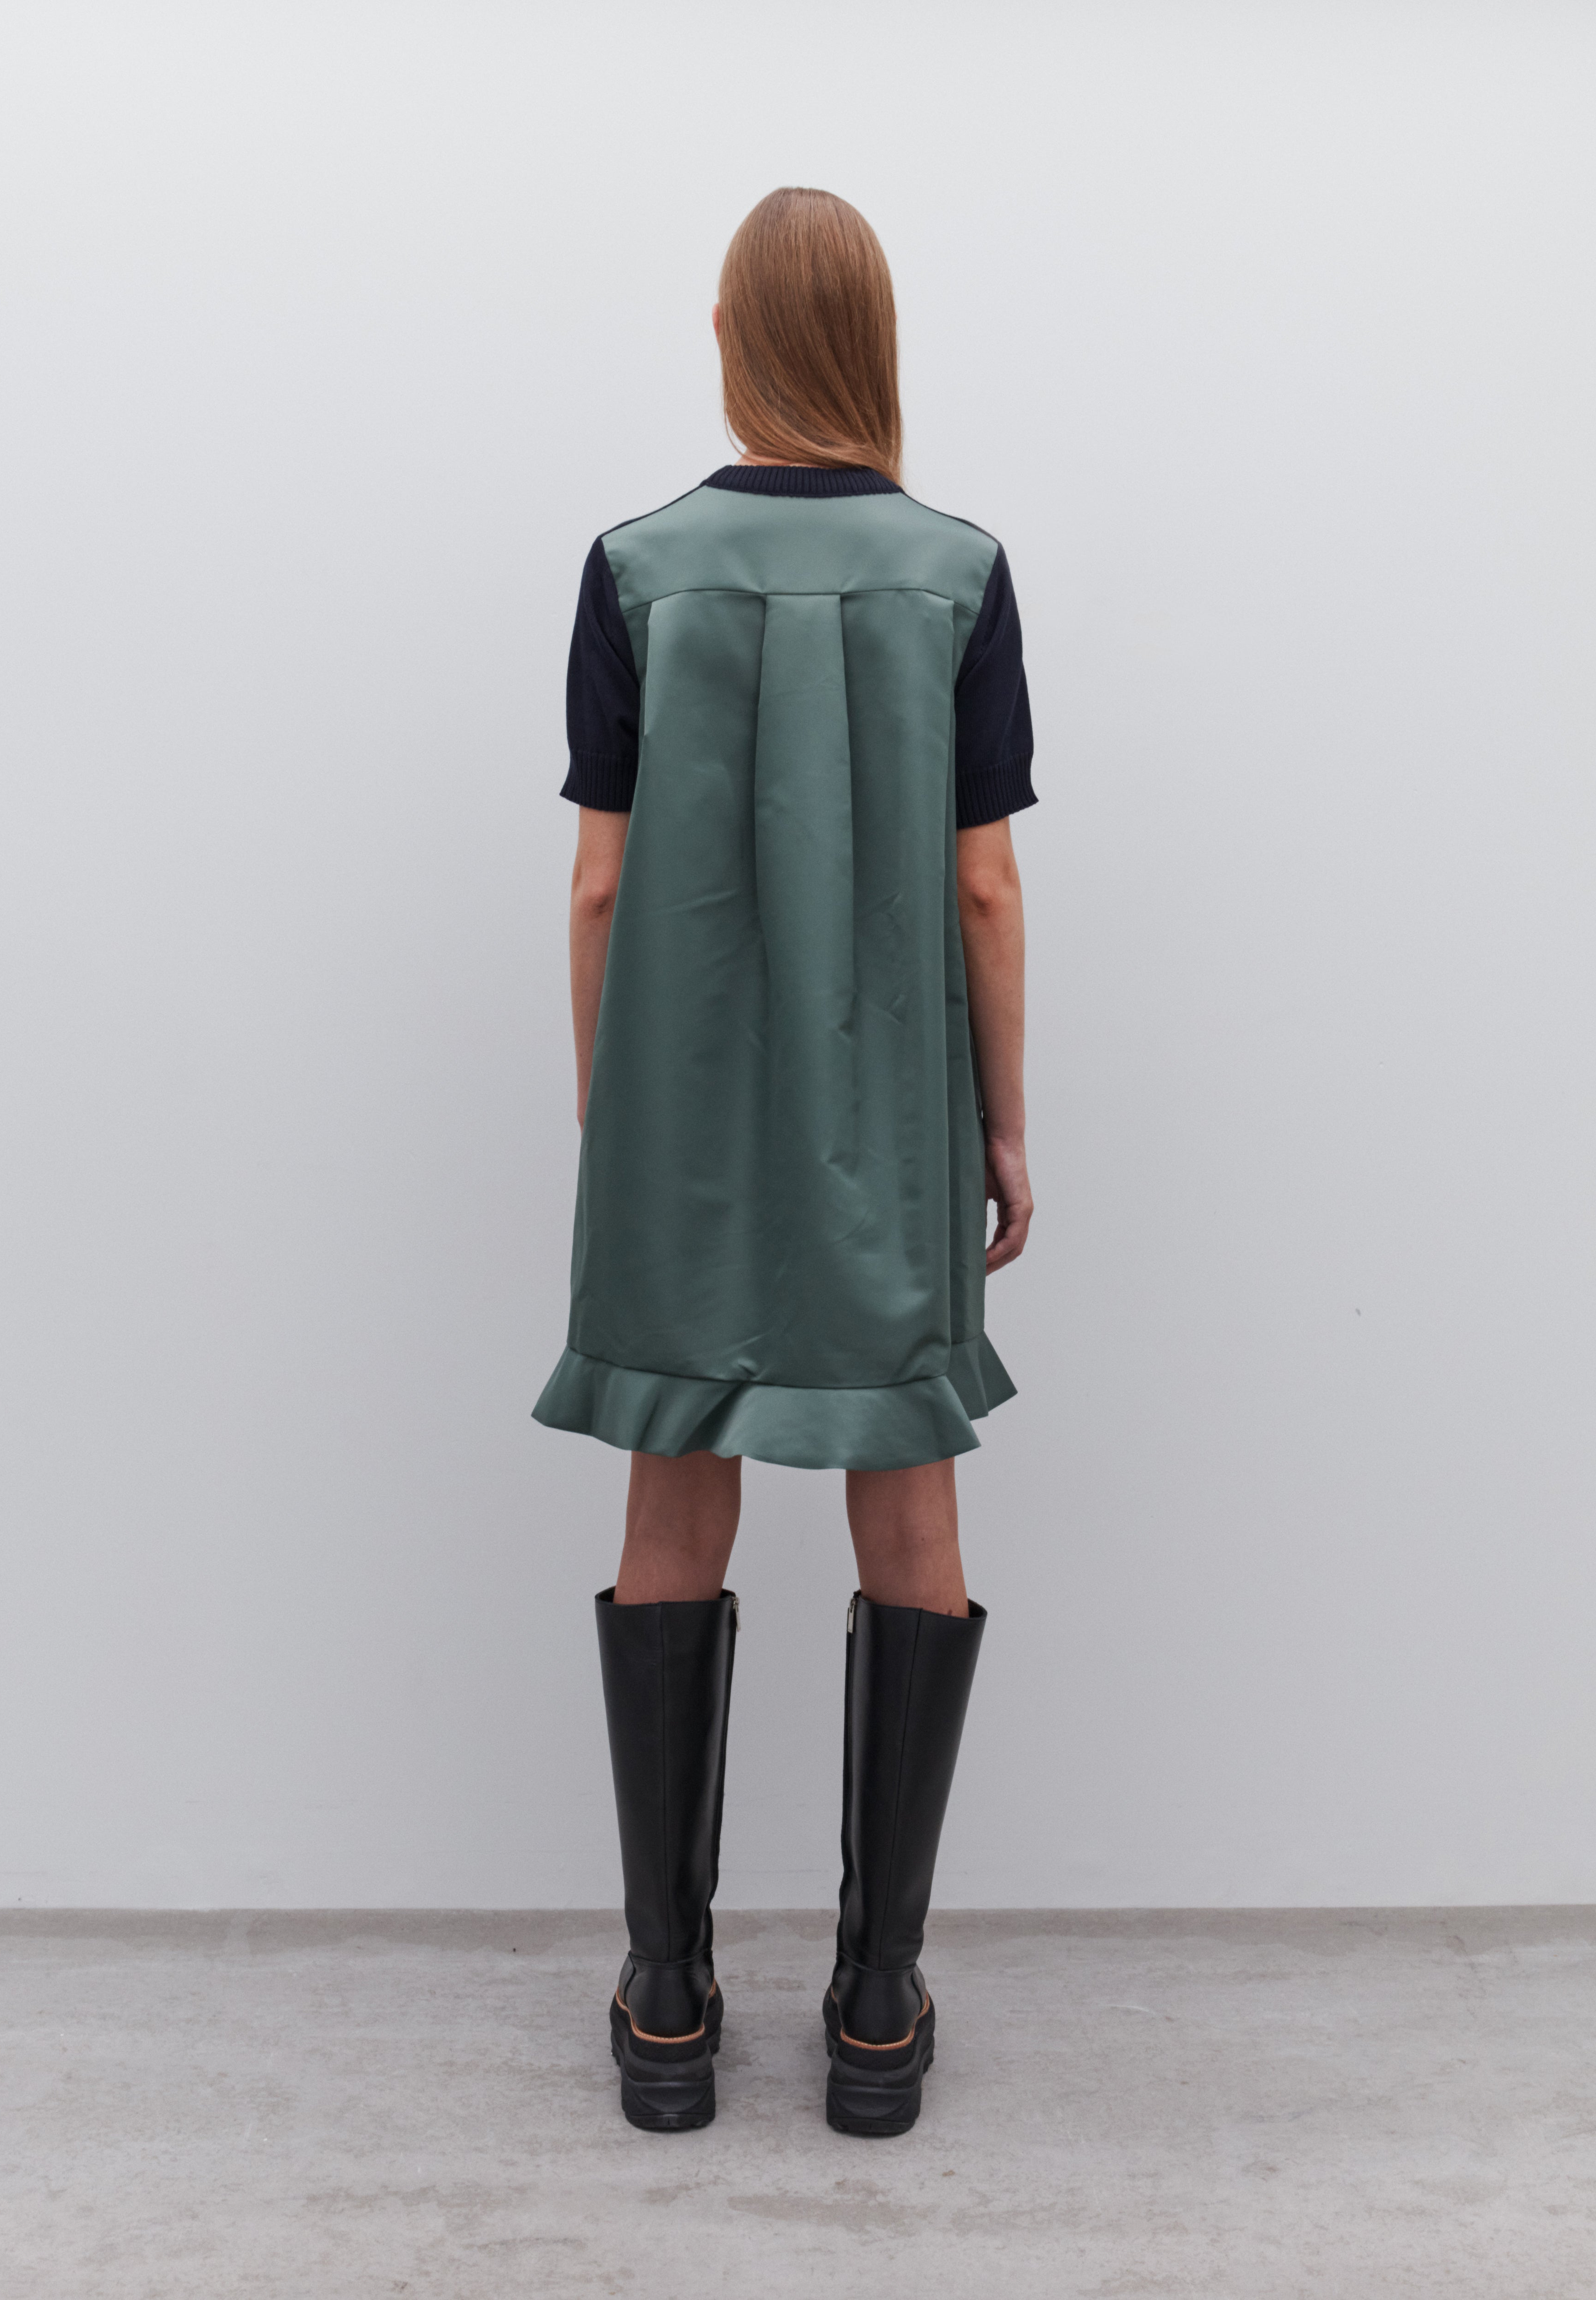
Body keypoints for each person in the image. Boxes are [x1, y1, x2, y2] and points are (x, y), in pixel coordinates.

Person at [533, 186, 1036, 2137]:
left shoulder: (635, 567)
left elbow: (601, 881)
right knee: (910, 1514)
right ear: (875, 341)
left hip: (680, 1128)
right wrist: (1002, 1126)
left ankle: (667, 2006)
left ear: (734, 336)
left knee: (676, 1504)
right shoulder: (959, 572)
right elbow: (983, 886)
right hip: (890, 1122)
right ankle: (877, 2008)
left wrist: (617, 1113)